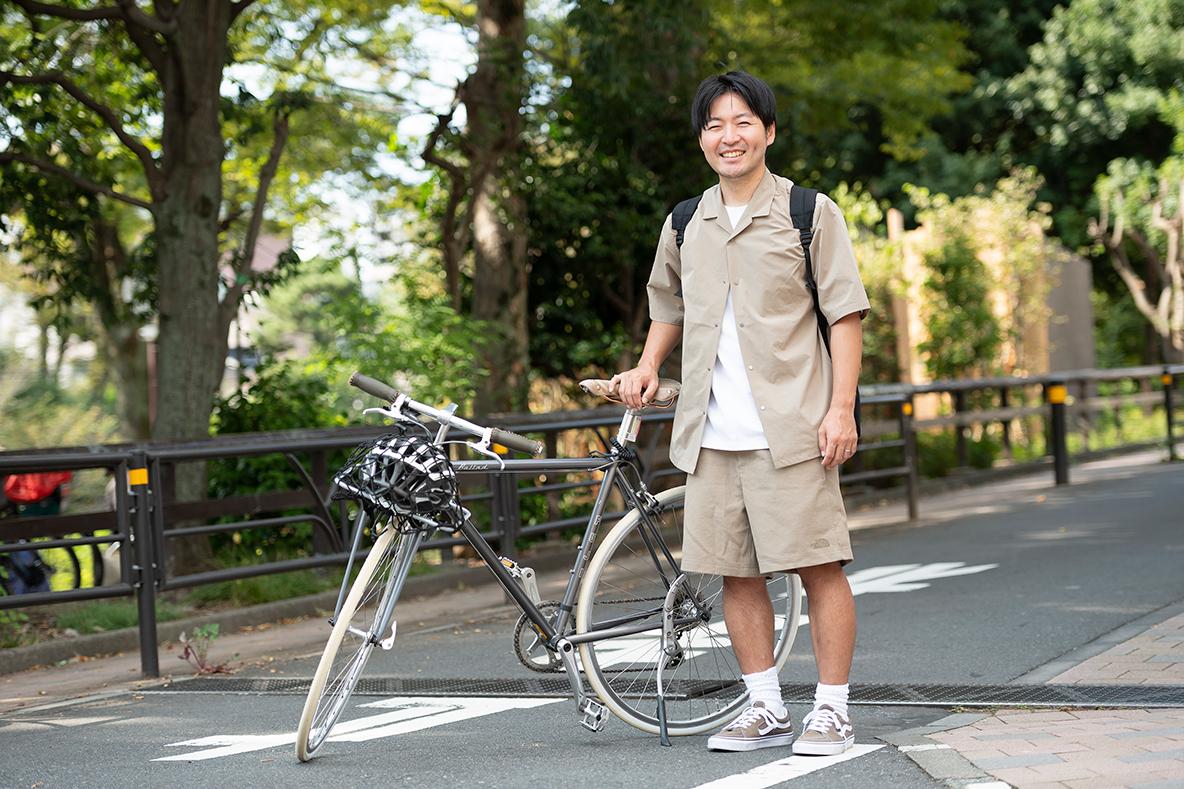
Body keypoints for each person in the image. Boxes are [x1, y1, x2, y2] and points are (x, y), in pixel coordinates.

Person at [610, 70, 869, 755]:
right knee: (735, 572)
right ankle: (764, 706)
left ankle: (834, 710)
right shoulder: (685, 221)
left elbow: (844, 313)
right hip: (710, 434)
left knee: (820, 567)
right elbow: (668, 303)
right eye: (715, 124)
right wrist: (646, 364)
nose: (730, 135)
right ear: (702, 139)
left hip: (795, 428)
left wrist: (841, 408)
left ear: (769, 131)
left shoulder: (808, 212)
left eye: (743, 121)